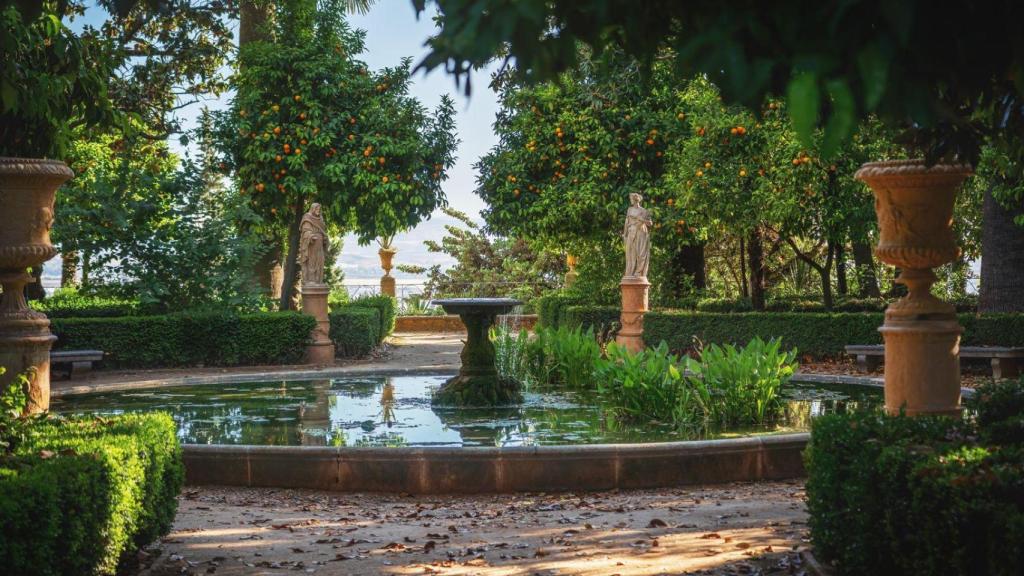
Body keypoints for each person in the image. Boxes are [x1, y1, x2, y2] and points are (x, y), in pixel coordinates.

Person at [623, 192, 652, 279]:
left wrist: (642, 219)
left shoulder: (644, 211)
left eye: (631, 199)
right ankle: (629, 272)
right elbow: (626, 222)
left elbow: (650, 223)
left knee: (641, 253)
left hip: (641, 232)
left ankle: (639, 272)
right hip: (631, 231)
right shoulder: (629, 209)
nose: (631, 200)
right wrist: (625, 234)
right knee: (630, 252)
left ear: (636, 200)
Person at [298, 203, 327, 285]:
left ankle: (319, 281)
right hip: (312, 244)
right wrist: (311, 236)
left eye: (319, 209)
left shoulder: (320, 218)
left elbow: (323, 231)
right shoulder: (307, 217)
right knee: (312, 261)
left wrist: (324, 238)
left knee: (320, 261)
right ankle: (311, 280)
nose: (318, 211)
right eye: (317, 209)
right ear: (313, 208)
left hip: (320, 244)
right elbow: (305, 231)